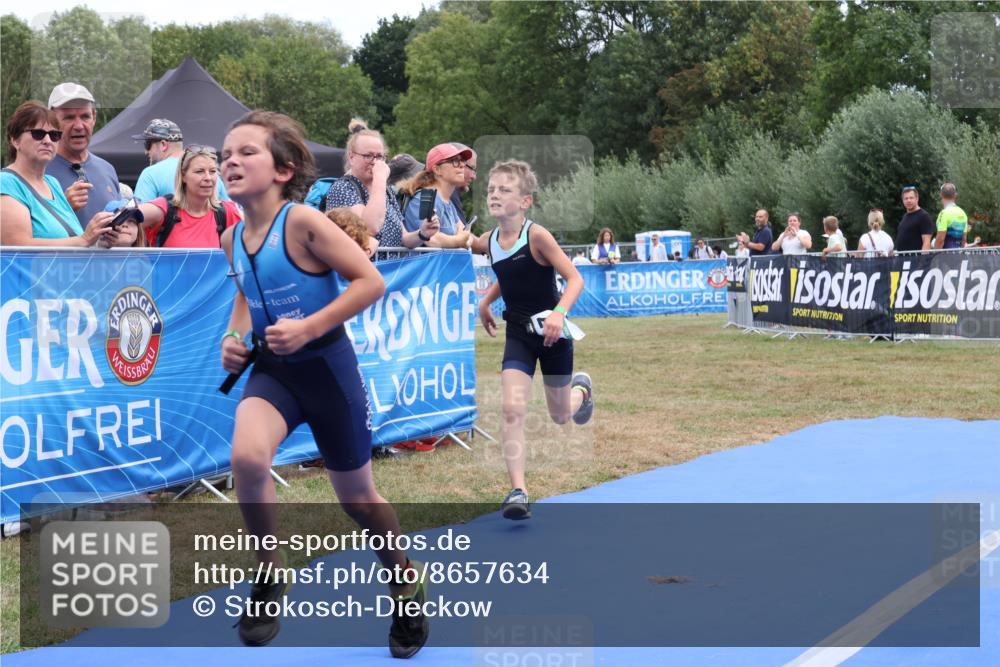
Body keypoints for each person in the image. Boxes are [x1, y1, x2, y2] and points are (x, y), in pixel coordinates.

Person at [218, 110, 429, 657]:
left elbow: (371, 280)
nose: (230, 162)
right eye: (225, 155)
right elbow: (244, 298)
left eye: (246, 152)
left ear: (284, 169)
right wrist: (234, 338)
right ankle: (269, 572)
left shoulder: (306, 224)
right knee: (246, 459)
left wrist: (311, 326)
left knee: (358, 500)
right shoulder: (231, 236)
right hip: (275, 372)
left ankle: (405, 579)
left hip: (327, 370)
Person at [471, 160, 594, 521]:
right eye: (491, 189)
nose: (494, 194)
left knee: (559, 416)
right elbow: (505, 271)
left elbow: (574, 279)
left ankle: (581, 392)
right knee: (512, 409)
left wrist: (559, 313)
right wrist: (486, 301)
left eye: (504, 190)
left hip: (554, 335)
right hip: (518, 335)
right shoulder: (489, 241)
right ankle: (518, 491)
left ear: (525, 201)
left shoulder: (537, 235)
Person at [1, 100, 114, 247]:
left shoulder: (52, 183)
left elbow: (69, 239)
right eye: (38, 134)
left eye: (54, 135)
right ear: (15, 140)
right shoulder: (6, 183)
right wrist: (84, 239)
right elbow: (18, 246)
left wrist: (101, 238)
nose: (47, 141)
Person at [326, 119, 436, 252]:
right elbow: (369, 228)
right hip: (363, 270)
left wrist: (423, 233)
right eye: (368, 156)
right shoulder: (343, 188)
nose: (375, 162)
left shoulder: (386, 191)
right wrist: (380, 178)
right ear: (351, 157)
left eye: (380, 156)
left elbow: (404, 238)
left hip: (391, 271)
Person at [134, 145, 241, 248]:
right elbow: (124, 217)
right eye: (199, 171)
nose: (208, 177)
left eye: (212, 171)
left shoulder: (226, 212)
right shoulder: (165, 209)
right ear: (183, 175)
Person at [45, 82, 121, 226]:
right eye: (69, 118)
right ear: (52, 121)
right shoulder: (36, 171)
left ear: (94, 118)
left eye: (85, 116)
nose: (79, 126)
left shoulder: (107, 169)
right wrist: (64, 207)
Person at [133, 118, 229, 202]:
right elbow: (234, 214)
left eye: (147, 144)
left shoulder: (150, 174)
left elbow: (139, 217)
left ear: (163, 145)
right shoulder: (211, 175)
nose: (146, 151)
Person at [399, 143, 473, 249]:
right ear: (437, 170)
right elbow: (432, 239)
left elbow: (464, 234)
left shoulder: (447, 201)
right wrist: (459, 241)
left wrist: (464, 239)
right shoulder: (424, 198)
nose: (462, 165)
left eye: (463, 161)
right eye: (455, 161)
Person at [895, 185, 935, 252]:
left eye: (911, 198)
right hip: (902, 259)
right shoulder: (905, 216)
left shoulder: (924, 216)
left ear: (917, 198)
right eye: (906, 198)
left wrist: (922, 261)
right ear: (903, 200)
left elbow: (926, 242)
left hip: (916, 260)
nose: (908, 200)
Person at [448, 142, 476, 223]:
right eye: (471, 168)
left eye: (463, 164)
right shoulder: (438, 197)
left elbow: (461, 230)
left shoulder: (448, 198)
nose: (474, 177)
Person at [934, 182, 968, 250]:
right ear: (955, 195)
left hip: (945, 255)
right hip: (957, 254)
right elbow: (964, 239)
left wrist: (936, 255)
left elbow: (940, 239)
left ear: (941, 195)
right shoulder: (963, 213)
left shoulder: (944, 213)